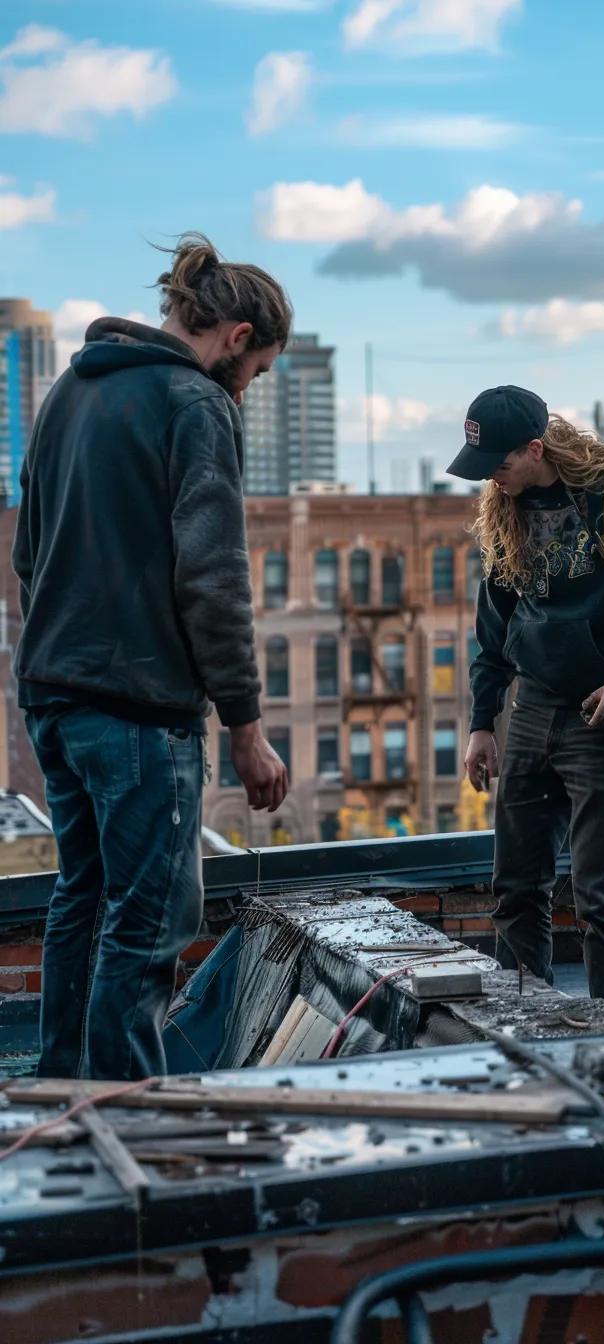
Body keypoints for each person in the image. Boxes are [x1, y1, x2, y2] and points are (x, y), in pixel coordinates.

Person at [13, 233, 292, 1081]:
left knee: (81, 901)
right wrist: (245, 727)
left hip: (53, 694)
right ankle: (127, 1112)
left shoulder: (69, 392)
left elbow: (27, 552)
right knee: (150, 922)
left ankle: (60, 1095)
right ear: (236, 337)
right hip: (136, 710)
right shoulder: (195, 404)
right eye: (260, 370)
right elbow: (213, 580)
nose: (252, 388)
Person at [448, 388, 604, 1012]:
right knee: (515, 888)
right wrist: (483, 723)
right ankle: (522, 1026)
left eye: (501, 466)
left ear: (536, 449)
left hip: (603, 712)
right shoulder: (504, 506)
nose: (493, 481)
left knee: (599, 897)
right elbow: (494, 628)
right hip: (533, 707)